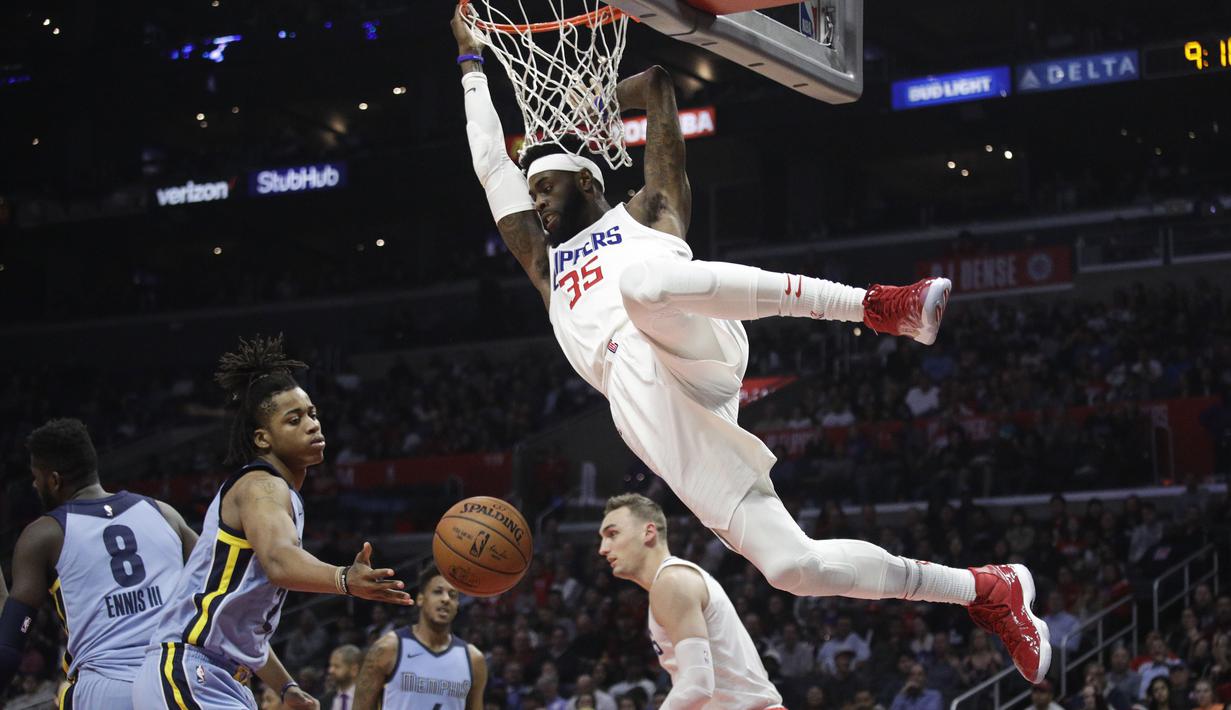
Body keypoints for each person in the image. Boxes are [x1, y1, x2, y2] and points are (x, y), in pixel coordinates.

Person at [451, 6, 1048, 684]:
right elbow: (487, 164)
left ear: (586, 181)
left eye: (545, 187)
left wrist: (594, 100)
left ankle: (878, 306)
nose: (537, 203)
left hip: (690, 343)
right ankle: (986, 590)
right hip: (645, 407)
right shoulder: (546, 264)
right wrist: (470, 65)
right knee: (794, 568)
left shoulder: (648, 211)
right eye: (529, 194)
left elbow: (656, 81)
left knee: (644, 286)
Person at [132, 335, 412, 710]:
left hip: (216, 674)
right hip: (189, 670)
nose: (312, 424)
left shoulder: (276, 493)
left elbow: (241, 624)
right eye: (294, 420)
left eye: (312, 413)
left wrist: (286, 688)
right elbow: (280, 563)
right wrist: (344, 579)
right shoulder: (261, 486)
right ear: (263, 438)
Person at [1, 418, 197, 707]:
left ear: (54, 480)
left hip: (106, 688)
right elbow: (218, 582)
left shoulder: (44, 534)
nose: (34, 484)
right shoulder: (163, 512)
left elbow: (10, 640)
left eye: (36, 477)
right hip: (179, 679)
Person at [598, 493, 785, 709]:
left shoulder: (672, 582)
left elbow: (698, 684)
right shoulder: (670, 581)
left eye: (613, 534)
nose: (602, 548)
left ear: (648, 532)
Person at [353, 565, 487, 709]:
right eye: (438, 592)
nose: (446, 599)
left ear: (457, 605)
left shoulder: (473, 659)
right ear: (421, 599)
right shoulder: (388, 648)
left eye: (453, 595)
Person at [320, 644, 361, 710]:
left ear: (354, 670)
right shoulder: (324, 701)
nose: (330, 670)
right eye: (330, 665)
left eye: (337, 666)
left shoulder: (368, 699)